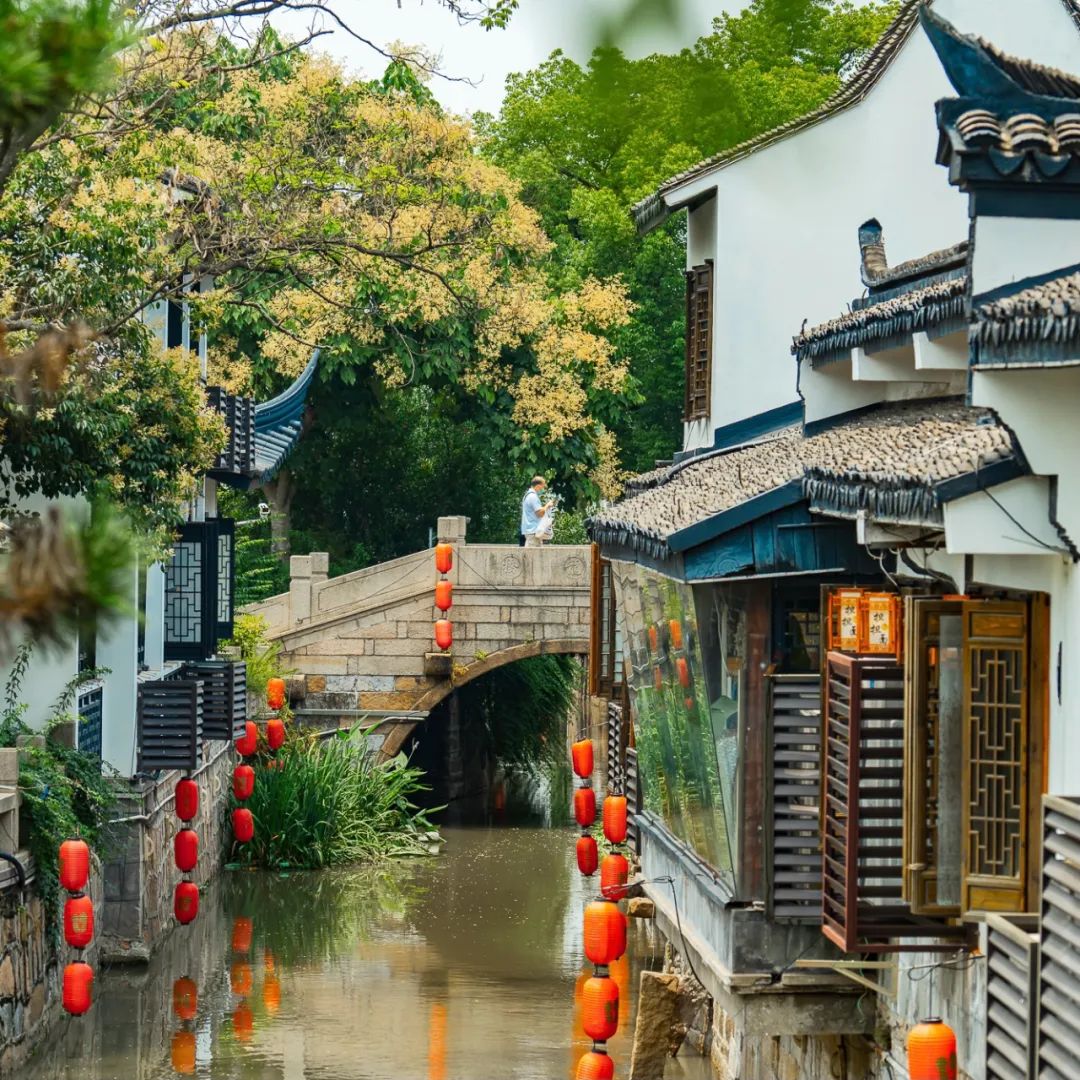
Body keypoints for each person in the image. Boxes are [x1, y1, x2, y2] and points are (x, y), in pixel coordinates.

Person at [520, 476, 554, 548]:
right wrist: (547, 505)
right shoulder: (533, 496)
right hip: (533, 531)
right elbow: (540, 513)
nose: (543, 489)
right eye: (543, 486)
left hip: (531, 531)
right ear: (538, 486)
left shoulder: (527, 495)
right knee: (533, 554)